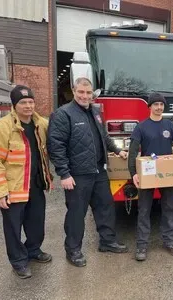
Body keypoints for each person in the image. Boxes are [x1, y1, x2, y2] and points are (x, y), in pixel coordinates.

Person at [47, 77, 128, 267]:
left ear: (93, 94)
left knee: (105, 207)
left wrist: (117, 150)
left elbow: (104, 136)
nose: (85, 96)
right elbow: (55, 146)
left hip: (98, 171)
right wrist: (64, 174)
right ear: (74, 92)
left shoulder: (96, 112)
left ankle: (107, 242)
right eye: (81, 92)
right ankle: (73, 250)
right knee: (77, 213)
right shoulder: (63, 114)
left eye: (88, 92)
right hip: (77, 175)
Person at [0, 85, 52, 279]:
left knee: (36, 223)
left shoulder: (41, 124)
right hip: (13, 188)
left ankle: (33, 249)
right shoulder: (0, 128)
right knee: (13, 228)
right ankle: (18, 261)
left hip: (36, 185)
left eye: (31, 102)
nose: (28, 106)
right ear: (14, 105)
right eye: (23, 102)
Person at [128, 92, 173, 261]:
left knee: (169, 208)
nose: (159, 107)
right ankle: (141, 246)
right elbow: (133, 152)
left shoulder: (170, 126)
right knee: (144, 210)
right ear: (150, 107)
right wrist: (133, 173)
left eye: (161, 105)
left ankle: (169, 242)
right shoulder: (141, 127)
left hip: (167, 175)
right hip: (147, 174)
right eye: (156, 104)